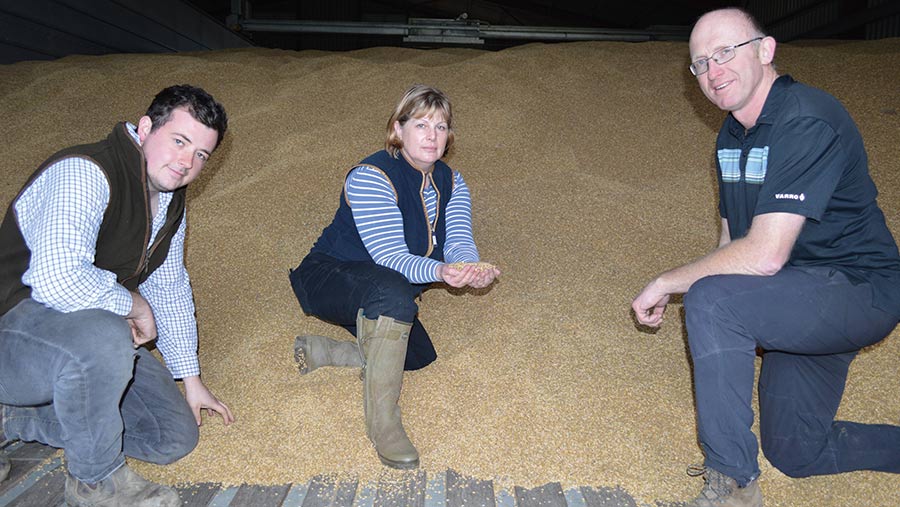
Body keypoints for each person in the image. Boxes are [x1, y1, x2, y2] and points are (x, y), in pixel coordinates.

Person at [632, 7, 900, 507]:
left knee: (711, 299)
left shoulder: (806, 118)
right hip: (801, 295)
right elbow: (731, 247)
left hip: (859, 289)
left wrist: (668, 281)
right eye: (700, 63)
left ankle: (732, 483)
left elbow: (763, 256)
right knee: (798, 452)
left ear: (765, 49)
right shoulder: (730, 138)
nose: (713, 71)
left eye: (725, 53)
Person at [0, 84, 235, 507]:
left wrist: (191, 378)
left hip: (79, 342)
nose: (187, 163)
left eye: (201, 154)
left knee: (172, 436)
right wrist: (133, 304)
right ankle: (96, 479)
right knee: (108, 330)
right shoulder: (87, 170)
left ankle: (11, 417)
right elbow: (56, 278)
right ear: (145, 128)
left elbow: (170, 286)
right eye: (179, 141)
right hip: (13, 335)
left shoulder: (168, 202)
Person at [289, 84, 500, 469]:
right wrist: (440, 272)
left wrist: (471, 269)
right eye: (421, 125)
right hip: (329, 277)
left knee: (418, 356)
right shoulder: (371, 175)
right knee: (393, 296)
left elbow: (458, 241)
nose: (432, 136)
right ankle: (384, 426)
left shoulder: (454, 182)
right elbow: (390, 258)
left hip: (386, 285)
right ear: (398, 130)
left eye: (440, 127)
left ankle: (327, 351)